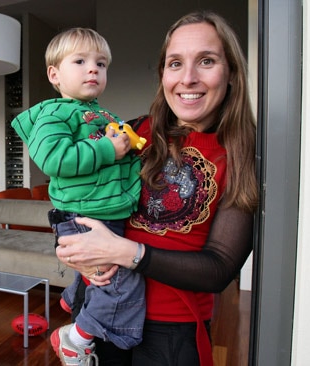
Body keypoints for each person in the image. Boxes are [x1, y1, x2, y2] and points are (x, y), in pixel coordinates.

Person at [54, 11, 258, 366]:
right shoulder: (129, 133)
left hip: (173, 332)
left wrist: (125, 252)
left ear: (231, 74)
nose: (188, 78)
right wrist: (69, 246)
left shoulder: (241, 154)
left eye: (206, 61)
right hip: (102, 313)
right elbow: (75, 193)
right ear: (163, 73)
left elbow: (220, 268)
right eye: (175, 63)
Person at [11, 28, 145, 365]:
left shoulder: (106, 116)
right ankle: (76, 338)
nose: (93, 69)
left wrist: (130, 151)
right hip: (83, 215)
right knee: (121, 287)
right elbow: (52, 158)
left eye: (101, 63)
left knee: (106, 278)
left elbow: (116, 164)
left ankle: (73, 298)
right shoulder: (52, 114)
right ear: (54, 75)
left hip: (107, 212)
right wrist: (106, 148)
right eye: (81, 61)